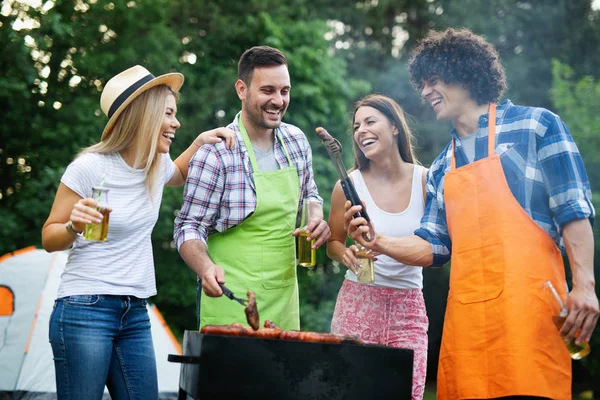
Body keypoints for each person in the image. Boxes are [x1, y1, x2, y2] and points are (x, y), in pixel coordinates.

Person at [346, 28, 599, 400]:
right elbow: (433, 246)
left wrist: (585, 286)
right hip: (466, 331)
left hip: (530, 319)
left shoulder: (537, 127)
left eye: (433, 80)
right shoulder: (441, 166)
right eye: (422, 83)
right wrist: (379, 241)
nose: (425, 91)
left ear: (463, 71)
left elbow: (572, 209)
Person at [41, 65, 235, 400]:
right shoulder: (89, 167)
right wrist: (73, 226)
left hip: (134, 311)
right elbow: (49, 237)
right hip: (85, 308)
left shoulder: (155, 166)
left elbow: (177, 172)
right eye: (169, 114)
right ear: (143, 115)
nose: (176, 123)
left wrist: (201, 142)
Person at [174, 46, 330, 331]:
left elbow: (310, 194)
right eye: (267, 90)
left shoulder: (296, 141)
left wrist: (317, 217)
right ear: (242, 89)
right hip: (229, 298)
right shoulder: (216, 153)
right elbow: (188, 226)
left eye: (285, 91)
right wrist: (205, 268)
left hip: (283, 297)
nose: (278, 101)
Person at [327, 94, 429, 400]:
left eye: (370, 122)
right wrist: (342, 253)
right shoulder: (348, 185)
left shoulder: (426, 181)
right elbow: (334, 241)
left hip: (408, 309)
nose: (361, 131)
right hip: (357, 302)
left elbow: (434, 245)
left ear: (395, 127)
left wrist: (383, 243)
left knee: (407, 394)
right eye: (357, 126)